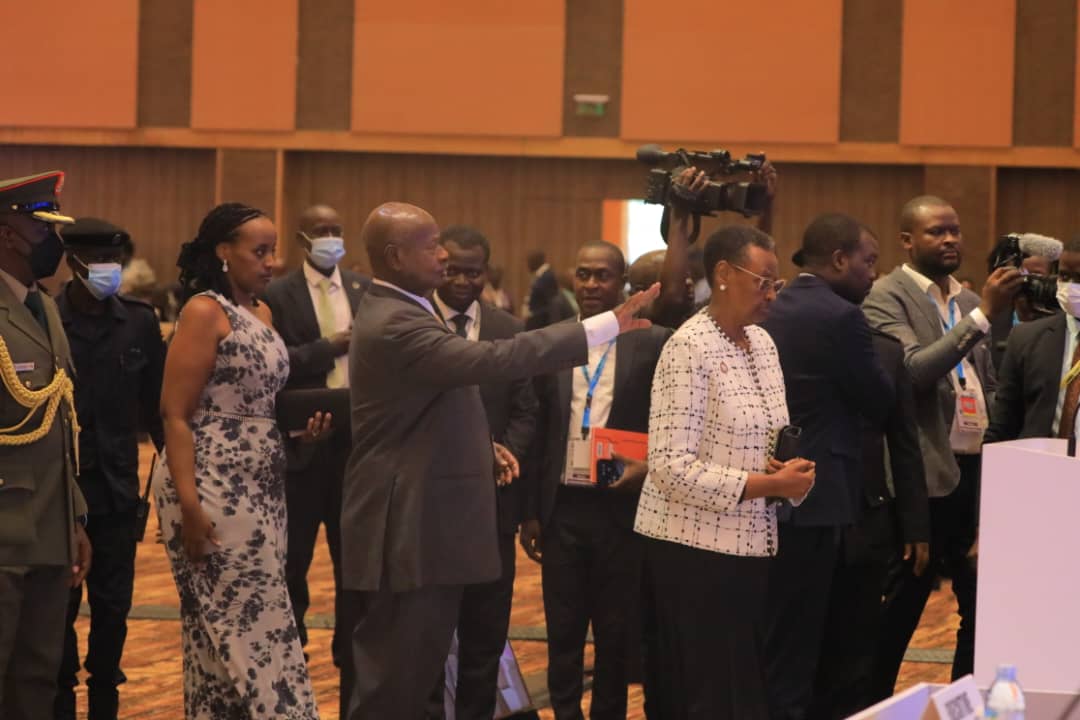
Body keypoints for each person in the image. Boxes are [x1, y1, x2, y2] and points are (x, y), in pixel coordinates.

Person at [339, 202, 658, 720]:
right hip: (409, 528)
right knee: (395, 682)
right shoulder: (396, 321)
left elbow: (419, 410)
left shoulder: (406, 309)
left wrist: (480, 445)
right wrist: (600, 328)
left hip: (426, 525)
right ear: (396, 257)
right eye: (431, 246)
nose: (443, 256)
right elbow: (490, 359)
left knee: (413, 674)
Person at [154, 203, 326, 719]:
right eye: (260, 251)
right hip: (210, 485)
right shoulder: (204, 312)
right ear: (223, 252)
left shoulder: (262, 312)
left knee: (220, 636)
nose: (272, 262)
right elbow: (175, 414)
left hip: (264, 486)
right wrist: (190, 507)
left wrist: (300, 436)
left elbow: (256, 405)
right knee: (254, 625)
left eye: (274, 251)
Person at [636, 224, 815, 719]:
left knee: (743, 689)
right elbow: (670, 467)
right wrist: (768, 484)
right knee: (707, 694)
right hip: (690, 551)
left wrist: (787, 473)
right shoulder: (688, 348)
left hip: (750, 545)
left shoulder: (763, 343)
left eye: (777, 284)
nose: (771, 295)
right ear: (722, 274)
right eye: (762, 282)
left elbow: (762, 438)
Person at [862, 195, 1022, 695]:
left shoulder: (968, 301)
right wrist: (985, 315)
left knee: (979, 603)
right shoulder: (885, 296)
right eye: (936, 232)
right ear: (907, 241)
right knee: (904, 603)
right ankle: (871, 702)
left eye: (954, 230)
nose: (950, 239)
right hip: (924, 475)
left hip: (973, 470)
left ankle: (964, 700)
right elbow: (913, 372)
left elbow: (987, 384)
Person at [521, 241, 670, 720]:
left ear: (621, 281)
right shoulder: (553, 340)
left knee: (615, 631)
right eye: (583, 274)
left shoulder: (652, 341)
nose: (590, 284)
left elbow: (666, 422)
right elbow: (537, 429)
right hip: (562, 507)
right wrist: (530, 511)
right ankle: (565, 714)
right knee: (562, 630)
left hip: (620, 506)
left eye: (602, 275)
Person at [759, 213, 894, 720]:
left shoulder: (772, 305)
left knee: (773, 632)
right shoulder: (842, 317)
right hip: (818, 496)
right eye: (869, 261)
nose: (873, 274)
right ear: (839, 259)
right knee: (804, 642)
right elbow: (879, 400)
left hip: (764, 484)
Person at [54, 218, 165, 720]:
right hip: (62, 494)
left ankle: (105, 705)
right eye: (100, 261)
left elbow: (158, 411)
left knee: (113, 612)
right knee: (59, 614)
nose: (110, 271)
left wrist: (176, 484)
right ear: (73, 263)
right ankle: (60, 703)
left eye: (115, 262)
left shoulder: (139, 322)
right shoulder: (47, 319)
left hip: (119, 494)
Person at [431, 225, 539, 719]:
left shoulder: (509, 328)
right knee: (429, 639)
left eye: (471, 272)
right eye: (451, 269)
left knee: (484, 635)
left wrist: (505, 454)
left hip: (493, 508)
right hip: (429, 507)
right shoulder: (415, 322)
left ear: (486, 273)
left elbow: (526, 410)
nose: (461, 281)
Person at [263, 204, 369, 681]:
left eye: (336, 229)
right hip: (302, 447)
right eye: (321, 230)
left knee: (354, 564)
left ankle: (352, 656)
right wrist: (329, 348)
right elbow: (275, 359)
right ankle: (291, 655)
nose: (330, 237)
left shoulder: (363, 289)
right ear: (302, 239)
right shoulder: (277, 294)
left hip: (356, 449)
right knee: (293, 562)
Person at [0, 170, 92, 719]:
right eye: (43, 229)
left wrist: (74, 519)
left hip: (49, 525)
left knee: (37, 675)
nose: (54, 242)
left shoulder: (45, 307)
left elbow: (62, 424)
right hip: (4, 524)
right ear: (7, 233)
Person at [809, 309, 931, 718]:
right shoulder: (795, 342)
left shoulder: (888, 352)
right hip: (802, 519)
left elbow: (905, 444)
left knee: (859, 647)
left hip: (868, 519)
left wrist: (916, 526)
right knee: (806, 646)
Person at [985, 236, 1080, 442]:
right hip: (1039, 459)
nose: (1071, 286)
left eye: (1079, 278)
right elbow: (1003, 425)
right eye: (1064, 276)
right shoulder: (1026, 338)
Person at [525, 250, 575, 329]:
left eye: (529, 261)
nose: (527, 265)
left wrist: (533, 315)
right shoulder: (541, 275)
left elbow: (550, 303)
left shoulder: (547, 276)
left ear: (536, 261)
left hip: (541, 323)